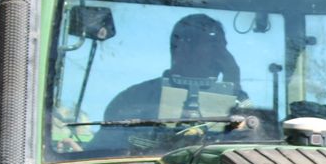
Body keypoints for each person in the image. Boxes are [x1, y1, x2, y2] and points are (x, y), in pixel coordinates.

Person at [103, 13, 248, 127]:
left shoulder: (240, 101)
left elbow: (247, 147)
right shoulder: (133, 100)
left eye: (222, 47)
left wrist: (233, 85)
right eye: (214, 46)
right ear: (183, 48)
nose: (223, 54)